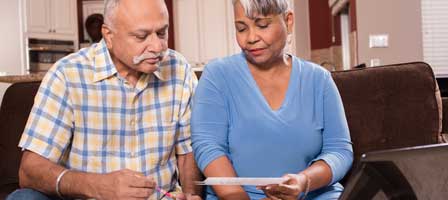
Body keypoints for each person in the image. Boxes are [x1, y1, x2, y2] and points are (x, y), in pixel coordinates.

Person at [7, 0, 202, 199]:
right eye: (141, 36)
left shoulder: (179, 70)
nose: (157, 46)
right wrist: (97, 186)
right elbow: (30, 171)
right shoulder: (67, 75)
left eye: (162, 33)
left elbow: (188, 153)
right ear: (108, 36)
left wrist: (190, 194)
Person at [191, 0, 353, 199]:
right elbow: (207, 146)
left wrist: (303, 181)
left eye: (262, 25)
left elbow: (340, 151)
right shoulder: (217, 76)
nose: (251, 38)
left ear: (288, 20)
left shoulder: (319, 80)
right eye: (241, 29)